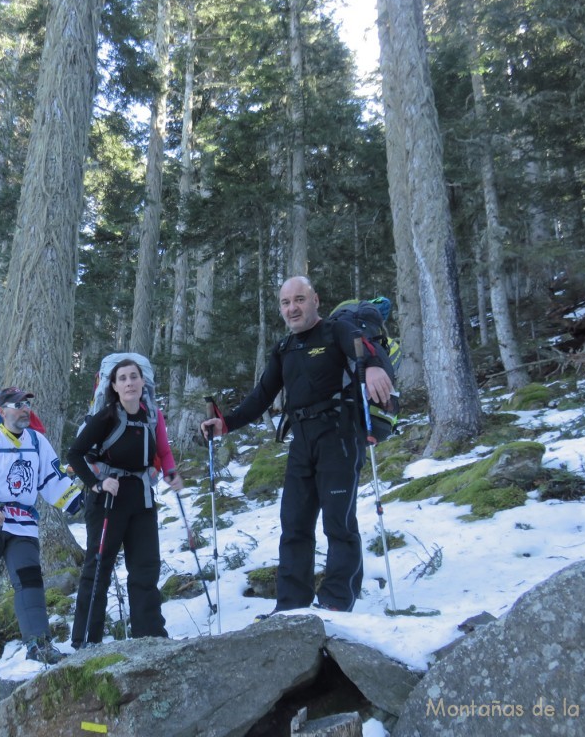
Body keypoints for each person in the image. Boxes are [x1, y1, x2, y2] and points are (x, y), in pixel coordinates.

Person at [200, 276, 393, 613]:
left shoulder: (337, 330)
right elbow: (261, 396)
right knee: (294, 524)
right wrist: (225, 423)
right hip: (302, 440)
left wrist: (374, 368)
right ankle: (290, 606)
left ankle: (336, 601)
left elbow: (364, 348)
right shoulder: (284, 348)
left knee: (339, 522)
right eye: (286, 303)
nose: (292, 308)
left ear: (315, 300)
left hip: (339, 435)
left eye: (299, 299)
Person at [0, 387, 83, 676]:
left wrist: (77, 501)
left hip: (24, 522)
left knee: (30, 580)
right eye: (17, 405)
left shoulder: (38, 442)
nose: (24, 409)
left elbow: (52, 477)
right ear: (2, 411)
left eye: (27, 404)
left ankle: (38, 644)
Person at [67, 358, 183, 647]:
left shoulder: (152, 415)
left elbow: (164, 451)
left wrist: (171, 473)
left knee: (145, 567)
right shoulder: (106, 417)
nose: (130, 382)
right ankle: (86, 642)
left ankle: (151, 637)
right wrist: (96, 483)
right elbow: (75, 454)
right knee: (98, 568)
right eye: (123, 378)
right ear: (114, 386)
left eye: (134, 377)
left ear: (143, 383)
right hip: (108, 499)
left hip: (142, 497)